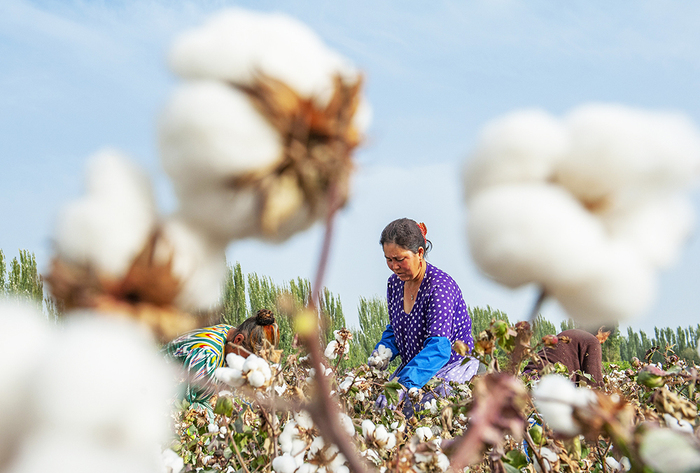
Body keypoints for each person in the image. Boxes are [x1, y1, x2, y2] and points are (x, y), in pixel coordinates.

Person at [369, 218, 478, 398]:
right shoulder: (395, 284)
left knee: (420, 412)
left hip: (449, 370)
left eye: (399, 259)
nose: (394, 267)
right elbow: (397, 330)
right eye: (388, 259)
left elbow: (439, 348)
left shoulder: (439, 288)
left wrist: (404, 385)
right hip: (416, 368)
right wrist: (382, 353)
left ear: (419, 253)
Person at [164, 308, 280, 408]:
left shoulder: (229, 332)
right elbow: (192, 408)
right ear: (238, 340)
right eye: (249, 359)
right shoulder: (207, 355)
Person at [524, 328, 608, 387]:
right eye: (604, 337)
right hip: (546, 384)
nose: (602, 341)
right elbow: (594, 384)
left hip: (527, 378)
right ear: (601, 329)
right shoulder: (592, 341)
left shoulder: (570, 333)